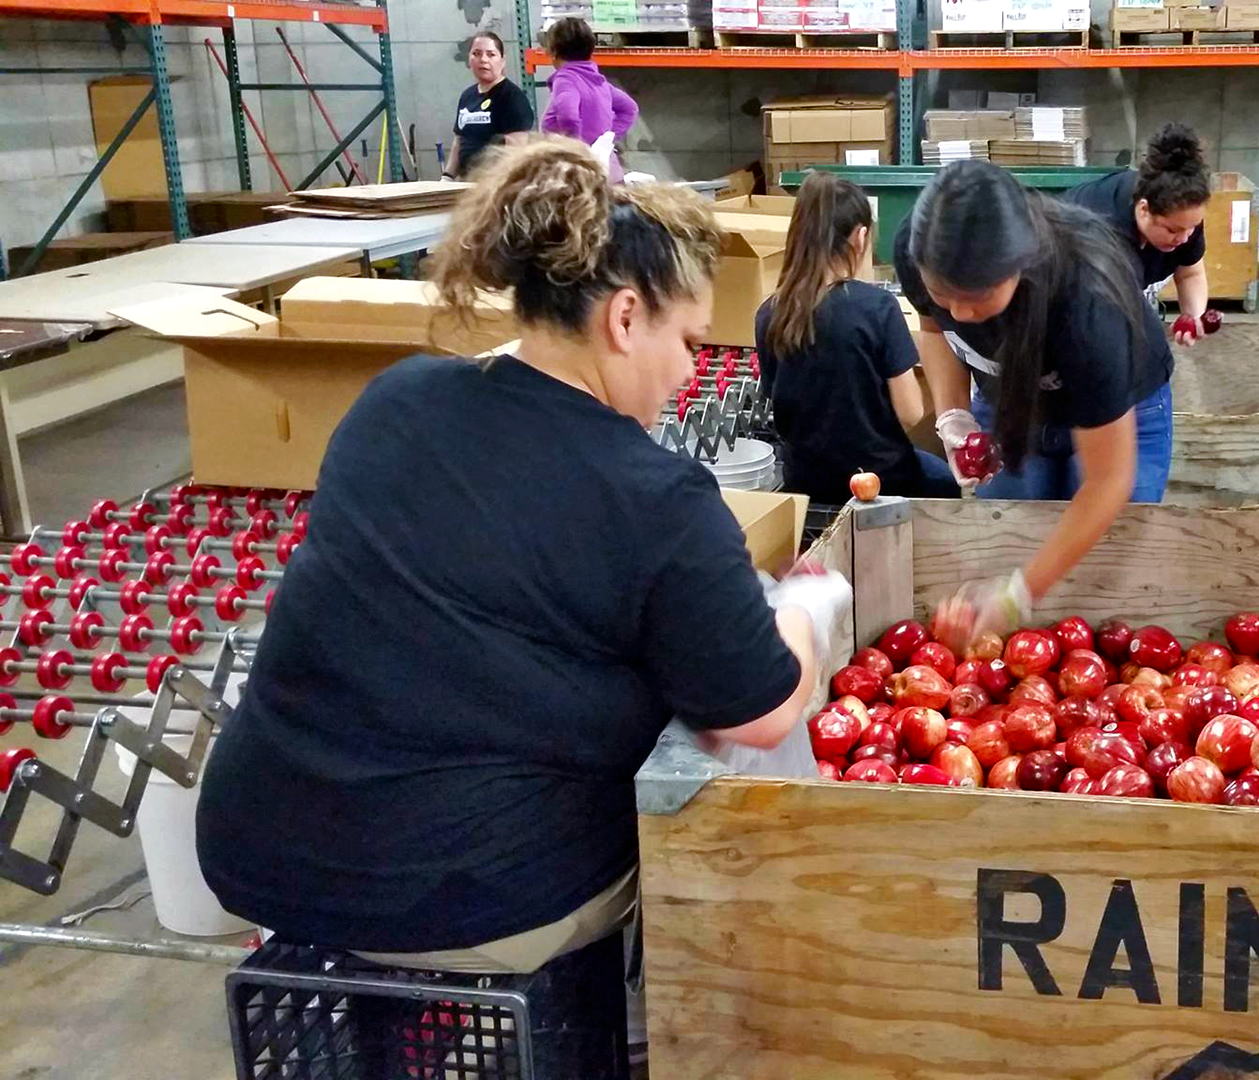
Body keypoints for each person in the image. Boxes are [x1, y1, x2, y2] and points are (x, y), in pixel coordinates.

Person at [195, 139, 849, 1045]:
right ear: (625, 318)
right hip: (475, 893)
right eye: (689, 341)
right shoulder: (654, 497)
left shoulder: (398, 400)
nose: (693, 373)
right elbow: (766, 712)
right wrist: (803, 611)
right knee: (691, 784)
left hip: (256, 846)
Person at [892, 159, 1174, 646]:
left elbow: (1109, 480)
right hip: (1016, 406)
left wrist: (1015, 596)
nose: (960, 312)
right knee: (1008, 533)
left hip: (1123, 407)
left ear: (1020, 266)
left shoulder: (1087, 302)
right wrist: (953, 415)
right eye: (944, 293)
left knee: (1105, 577)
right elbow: (935, 329)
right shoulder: (919, 253)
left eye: (978, 298)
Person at [756, 172, 959, 503]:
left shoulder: (768, 314)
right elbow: (909, 411)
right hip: (880, 480)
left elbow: (782, 408)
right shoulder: (878, 307)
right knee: (948, 483)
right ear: (860, 237)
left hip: (804, 482)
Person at [1063, 123, 1213, 345]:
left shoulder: (1183, 216)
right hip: (1065, 290)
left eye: (1191, 228)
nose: (1184, 238)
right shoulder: (1102, 232)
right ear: (1144, 210)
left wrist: (1194, 318)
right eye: (1173, 230)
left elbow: (1190, 273)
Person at [541, 17, 638, 180]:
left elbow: (568, 115)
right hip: (607, 169)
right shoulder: (599, 83)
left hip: (578, 176)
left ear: (554, 52)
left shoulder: (566, 79)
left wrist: (575, 152)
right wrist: (607, 139)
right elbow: (630, 108)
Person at [442, 31, 535, 180]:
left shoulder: (512, 97)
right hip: (467, 182)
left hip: (495, 183)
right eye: (477, 54)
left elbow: (516, 148)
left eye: (491, 54)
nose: (483, 60)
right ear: (469, 59)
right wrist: (447, 177)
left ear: (502, 60)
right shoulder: (467, 96)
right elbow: (459, 141)